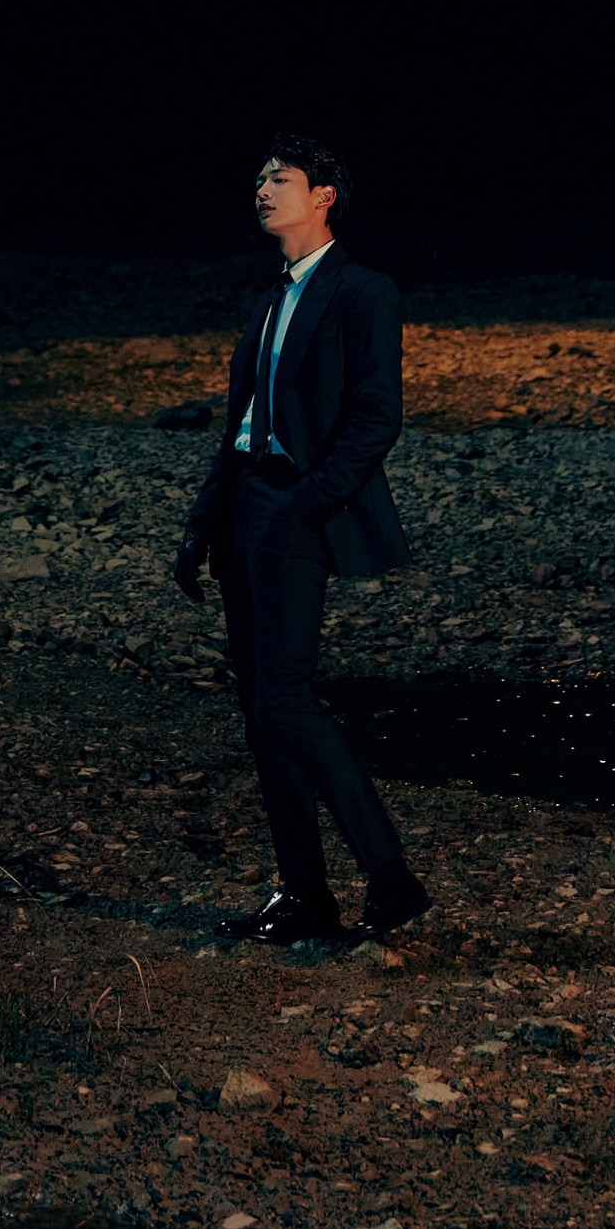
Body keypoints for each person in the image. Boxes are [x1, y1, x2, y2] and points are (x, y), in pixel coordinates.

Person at [174, 134, 430, 945]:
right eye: (257, 178)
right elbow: (240, 425)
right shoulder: (270, 298)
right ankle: (305, 896)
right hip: (246, 505)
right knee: (261, 713)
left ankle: (389, 876)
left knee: (284, 696)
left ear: (323, 196)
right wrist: (200, 526)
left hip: (295, 506)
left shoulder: (363, 291)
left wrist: (307, 505)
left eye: (278, 179)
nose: (261, 189)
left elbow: (375, 418)